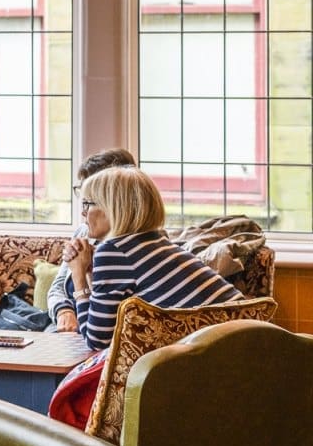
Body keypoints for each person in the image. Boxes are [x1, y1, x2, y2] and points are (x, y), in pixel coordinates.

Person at [67, 165, 242, 352]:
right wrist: (90, 271)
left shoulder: (113, 251)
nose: (83, 212)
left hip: (223, 352)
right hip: (245, 339)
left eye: (88, 204)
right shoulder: (155, 242)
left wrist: (78, 275)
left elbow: (96, 340)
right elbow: (112, 324)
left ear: (113, 208)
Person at [47, 148, 137, 332]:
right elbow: (57, 287)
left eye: (90, 200)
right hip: (68, 325)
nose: (83, 210)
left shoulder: (130, 249)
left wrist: (83, 273)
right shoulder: (83, 233)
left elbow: (101, 326)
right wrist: (63, 310)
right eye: (82, 192)